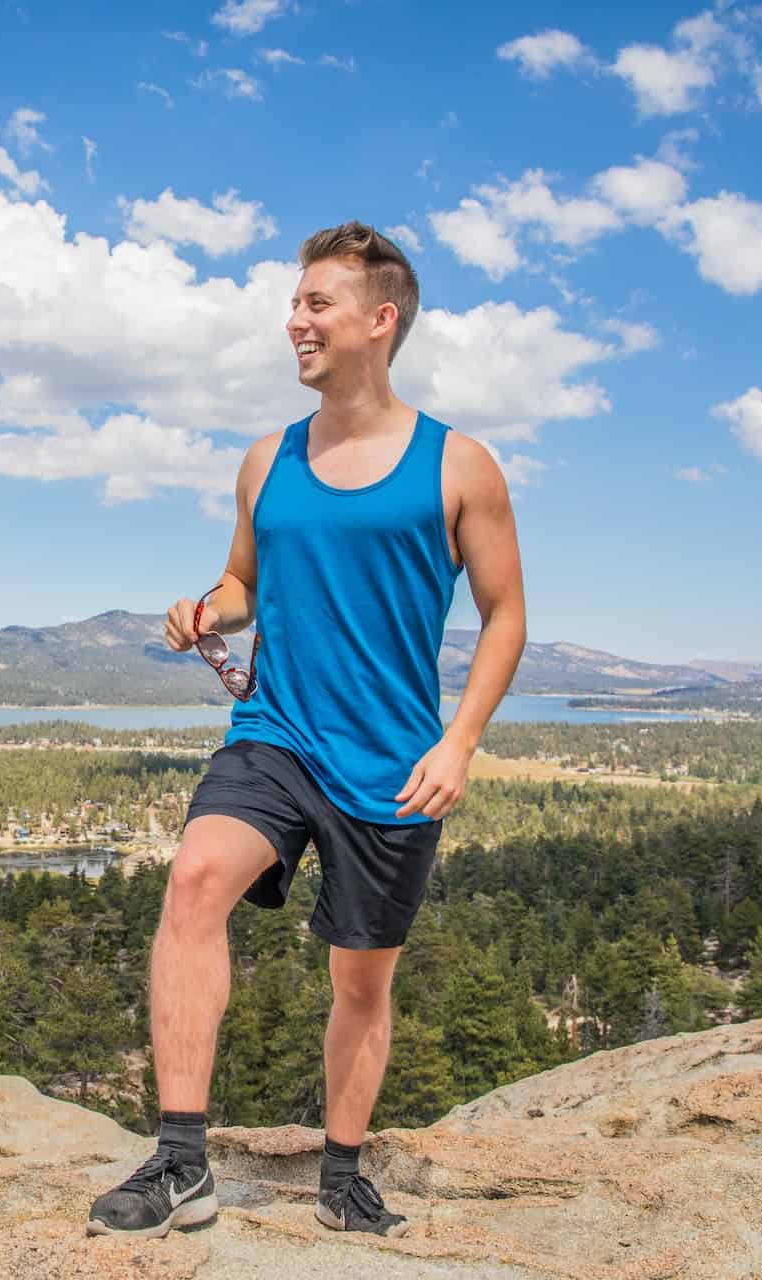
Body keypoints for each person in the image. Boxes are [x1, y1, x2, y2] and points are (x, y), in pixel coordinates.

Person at [87, 221, 526, 1239]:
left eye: (316, 303)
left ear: (382, 318)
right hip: (275, 733)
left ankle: (341, 1171)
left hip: (391, 761)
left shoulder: (458, 464)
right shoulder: (267, 459)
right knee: (195, 879)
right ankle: (182, 1160)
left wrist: (459, 740)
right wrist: (209, 604)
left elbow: (506, 613)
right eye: (294, 304)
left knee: (360, 979)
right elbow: (244, 582)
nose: (295, 321)